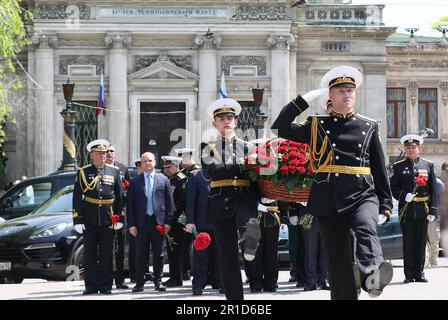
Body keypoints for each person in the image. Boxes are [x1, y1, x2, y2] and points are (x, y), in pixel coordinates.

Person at [272, 65, 394, 300]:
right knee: (337, 260)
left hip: (362, 193)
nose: (347, 95)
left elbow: (379, 168)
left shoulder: (368, 125)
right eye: (341, 91)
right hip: (329, 196)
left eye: (350, 90)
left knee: (366, 227)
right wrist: (302, 101)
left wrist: (385, 205)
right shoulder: (317, 125)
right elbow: (280, 127)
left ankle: (372, 274)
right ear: (330, 95)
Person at [200, 98, 261, 300]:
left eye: (230, 117)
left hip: (244, 198)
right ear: (214, 123)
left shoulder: (248, 147)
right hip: (220, 200)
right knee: (227, 255)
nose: (226, 121)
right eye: (221, 118)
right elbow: (212, 172)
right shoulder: (207, 147)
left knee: (250, 225)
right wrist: (243, 165)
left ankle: (250, 240)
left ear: (236, 122)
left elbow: (257, 177)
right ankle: (235, 300)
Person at [72, 139, 123, 295]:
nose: (102, 156)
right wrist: (78, 219)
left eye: (104, 153)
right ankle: (91, 286)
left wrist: (120, 218)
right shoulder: (83, 172)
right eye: (98, 154)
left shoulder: (114, 171)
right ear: (92, 155)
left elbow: (120, 197)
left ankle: (106, 285)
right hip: (89, 219)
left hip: (108, 219)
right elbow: (77, 197)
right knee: (90, 255)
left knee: (107, 255)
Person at [390, 134, 438, 283]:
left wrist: (433, 211)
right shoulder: (398, 166)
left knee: (421, 241)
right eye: (408, 147)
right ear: (405, 149)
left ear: (419, 148)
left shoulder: (427, 165)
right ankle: (409, 274)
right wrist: (403, 195)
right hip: (407, 210)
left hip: (423, 209)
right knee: (408, 242)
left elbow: (433, 190)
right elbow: (393, 188)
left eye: (413, 147)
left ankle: (420, 272)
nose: (410, 150)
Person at [126, 152, 174, 293]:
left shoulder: (163, 179)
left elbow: (169, 204)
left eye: (150, 161)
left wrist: (168, 223)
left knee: (159, 253)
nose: (147, 163)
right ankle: (139, 282)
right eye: (144, 161)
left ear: (155, 162)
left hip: (158, 221)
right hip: (142, 222)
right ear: (141, 163)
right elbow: (130, 206)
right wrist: (131, 224)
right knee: (141, 253)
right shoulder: (135, 182)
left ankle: (158, 281)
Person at [185, 168, 223, 295]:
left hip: (219, 223)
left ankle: (221, 283)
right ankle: (198, 285)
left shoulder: (222, 172)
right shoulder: (195, 176)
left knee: (220, 256)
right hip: (201, 224)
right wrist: (190, 221)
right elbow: (190, 201)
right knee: (200, 257)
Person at [161, 155, 188, 287]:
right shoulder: (169, 179)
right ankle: (174, 276)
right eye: (165, 168)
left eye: (169, 167)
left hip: (178, 219)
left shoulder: (181, 180)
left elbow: (182, 201)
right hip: (170, 218)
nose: (166, 170)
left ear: (176, 166)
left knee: (176, 250)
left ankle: (177, 278)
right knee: (171, 250)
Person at [246, 198, 283, 293]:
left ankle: (270, 283)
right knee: (255, 251)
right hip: (254, 214)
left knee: (271, 251)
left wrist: (285, 212)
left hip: (272, 213)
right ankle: (255, 283)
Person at [175, 147, 201, 280]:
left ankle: (200, 271)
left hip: (198, 212)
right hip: (183, 214)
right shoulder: (180, 174)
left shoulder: (198, 170)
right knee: (184, 243)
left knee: (198, 242)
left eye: (183, 157)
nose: (181, 160)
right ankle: (186, 269)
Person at [105, 145, 128, 290]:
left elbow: (127, 190)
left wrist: (121, 214)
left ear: (115, 153)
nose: (109, 153)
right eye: (106, 151)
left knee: (119, 247)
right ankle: (106, 279)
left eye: (111, 151)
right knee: (105, 248)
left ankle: (120, 279)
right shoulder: (99, 168)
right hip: (105, 213)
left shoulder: (122, 168)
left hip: (119, 213)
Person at [426, 177, 444, 267]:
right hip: (421, 216)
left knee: (433, 240)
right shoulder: (421, 180)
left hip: (434, 216)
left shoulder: (438, 183)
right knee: (425, 241)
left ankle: (433, 262)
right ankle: (428, 261)